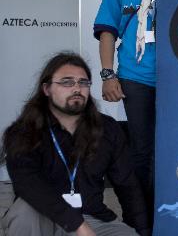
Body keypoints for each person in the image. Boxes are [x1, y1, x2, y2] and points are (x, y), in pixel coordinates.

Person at [93, 0, 178, 227]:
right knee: (142, 152)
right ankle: (143, 220)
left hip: (177, 82)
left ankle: (168, 215)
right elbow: (107, 29)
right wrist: (107, 74)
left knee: (170, 150)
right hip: (135, 78)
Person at [0, 52, 149, 236]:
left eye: (83, 82)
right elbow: (28, 185)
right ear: (46, 89)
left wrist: (141, 231)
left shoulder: (107, 129)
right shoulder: (23, 131)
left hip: (92, 218)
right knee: (24, 212)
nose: (77, 88)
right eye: (67, 82)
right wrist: (76, 224)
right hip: (42, 216)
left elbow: (128, 187)